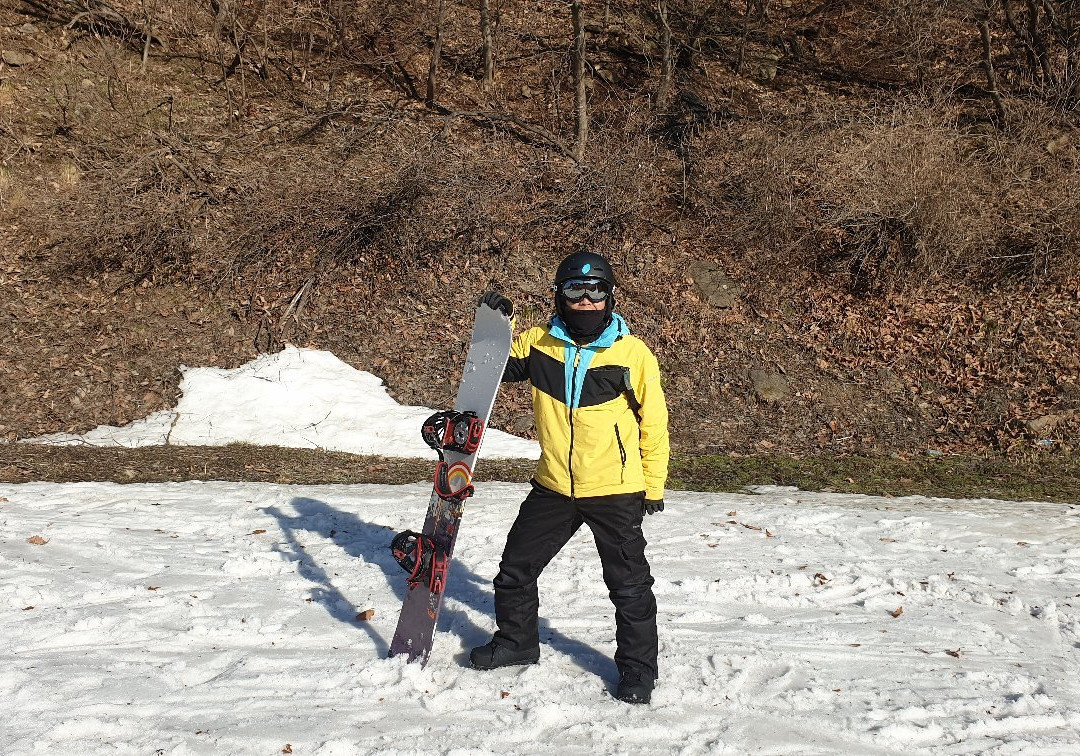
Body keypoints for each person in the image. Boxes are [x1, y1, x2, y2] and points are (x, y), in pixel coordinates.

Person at [472, 250, 669, 705]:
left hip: (615, 489)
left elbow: (654, 424)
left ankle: (638, 671)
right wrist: (497, 324)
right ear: (559, 295)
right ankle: (517, 643)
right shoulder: (540, 343)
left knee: (629, 587)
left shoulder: (632, 354)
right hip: (555, 485)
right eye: (574, 289)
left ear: (610, 296)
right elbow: (497, 364)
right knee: (515, 571)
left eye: (595, 290)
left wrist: (653, 484)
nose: (585, 300)